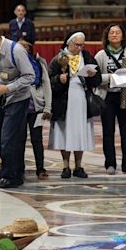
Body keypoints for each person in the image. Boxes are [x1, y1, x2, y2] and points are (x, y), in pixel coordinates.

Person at [0, 23, 35, 188]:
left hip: (17, 99)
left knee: (8, 139)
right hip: (0, 99)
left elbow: (29, 77)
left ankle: (10, 176)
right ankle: (16, 171)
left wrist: (8, 88)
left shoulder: (16, 50)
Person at [48, 31, 102, 179]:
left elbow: (97, 79)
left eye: (82, 45)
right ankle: (65, 166)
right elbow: (49, 80)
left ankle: (78, 166)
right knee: (64, 132)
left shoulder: (87, 57)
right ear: (68, 43)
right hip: (63, 102)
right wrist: (59, 79)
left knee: (80, 133)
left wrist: (92, 76)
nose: (79, 47)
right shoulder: (58, 58)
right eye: (76, 44)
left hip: (81, 100)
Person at [95, 24, 126, 175]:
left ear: (123, 36)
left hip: (124, 94)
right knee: (108, 131)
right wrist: (111, 77)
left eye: (118, 32)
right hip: (108, 95)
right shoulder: (101, 55)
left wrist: (125, 77)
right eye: (112, 33)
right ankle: (110, 164)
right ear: (107, 36)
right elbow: (95, 77)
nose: (114, 35)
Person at [18, 36, 52, 180]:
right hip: (19, 106)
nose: (23, 49)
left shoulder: (39, 62)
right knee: (18, 140)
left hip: (36, 107)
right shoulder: (14, 63)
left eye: (25, 46)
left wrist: (48, 107)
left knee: (36, 139)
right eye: (20, 46)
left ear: (30, 48)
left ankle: (40, 169)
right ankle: (19, 169)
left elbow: (46, 84)